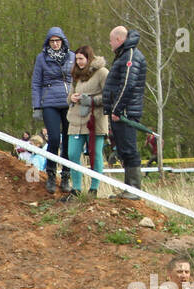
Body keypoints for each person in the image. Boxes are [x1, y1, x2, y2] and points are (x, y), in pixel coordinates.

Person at [31, 26, 73, 196]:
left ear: (62, 41)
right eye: (52, 41)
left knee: (69, 141)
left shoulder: (72, 56)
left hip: (69, 102)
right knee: (54, 138)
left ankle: (66, 176)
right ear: (48, 42)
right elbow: (36, 83)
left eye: (58, 41)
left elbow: (80, 78)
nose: (55, 44)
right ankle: (50, 174)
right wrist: (37, 106)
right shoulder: (41, 58)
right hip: (49, 102)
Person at [103, 24, 146, 193]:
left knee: (129, 150)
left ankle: (134, 189)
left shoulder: (130, 56)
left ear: (119, 40)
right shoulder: (123, 55)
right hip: (121, 112)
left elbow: (128, 84)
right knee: (123, 150)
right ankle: (129, 188)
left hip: (126, 113)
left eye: (111, 41)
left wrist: (117, 110)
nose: (110, 44)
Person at [66, 44, 107, 198]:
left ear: (89, 58)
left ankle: (93, 189)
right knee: (72, 154)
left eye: (81, 59)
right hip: (76, 120)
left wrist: (89, 100)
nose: (79, 62)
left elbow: (109, 96)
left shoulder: (102, 73)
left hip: (95, 121)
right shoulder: (75, 75)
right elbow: (68, 96)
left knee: (95, 154)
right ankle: (76, 189)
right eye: (76, 59)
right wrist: (73, 98)